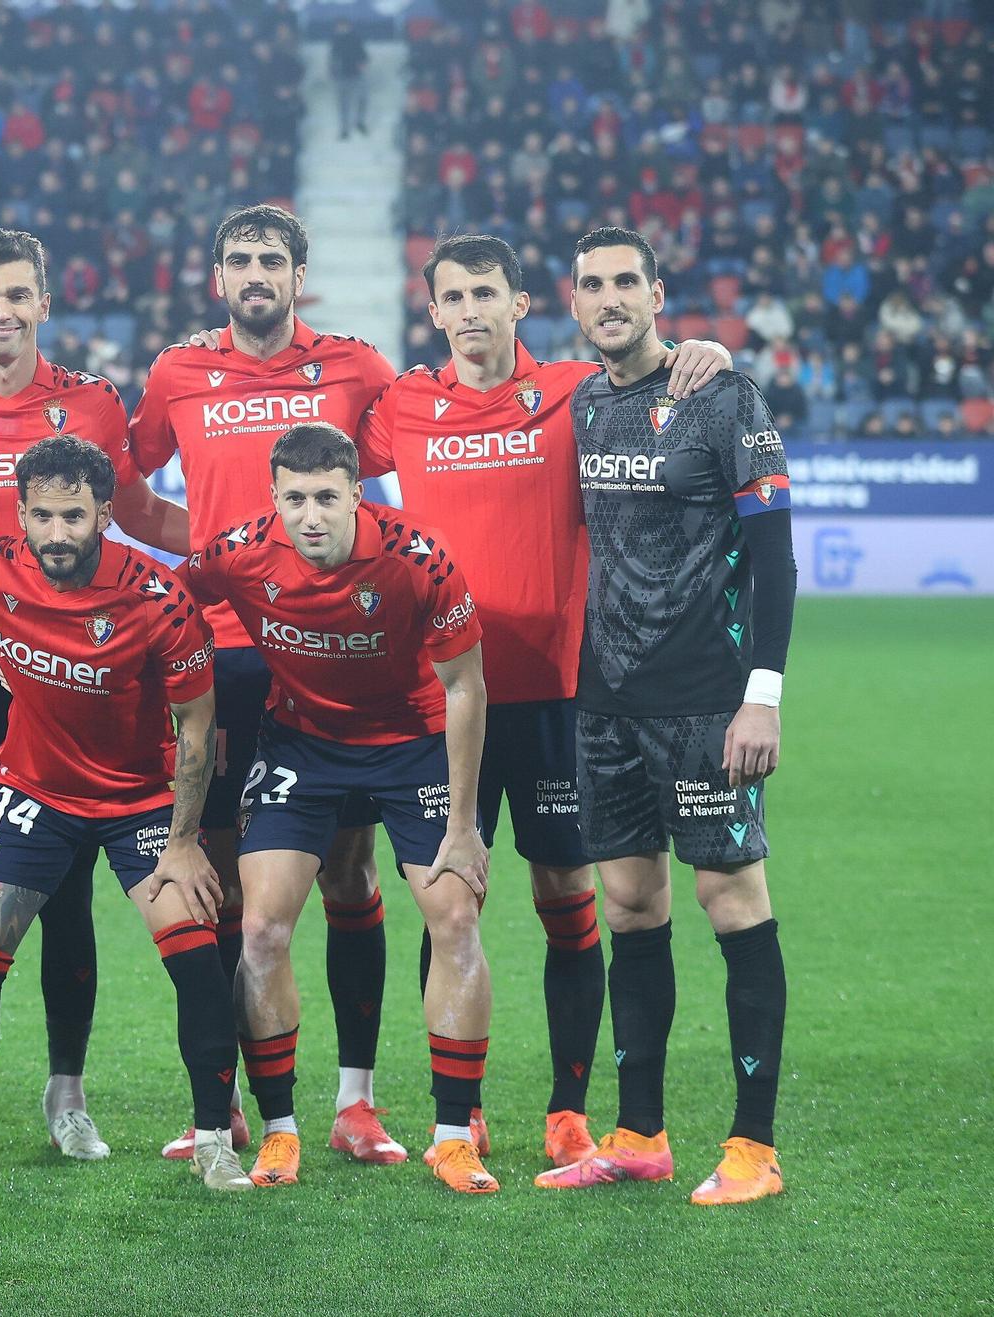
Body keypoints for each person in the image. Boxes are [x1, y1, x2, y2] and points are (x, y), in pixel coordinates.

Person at [354, 232, 732, 1166]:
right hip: (445, 699)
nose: (472, 310)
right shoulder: (402, 403)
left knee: (568, 897)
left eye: (489, 292)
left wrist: (709, 354)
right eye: (455, 296)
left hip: (564, 695)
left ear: (522, 304)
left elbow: (665, 382)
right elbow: (311, 465)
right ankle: (460, 1104)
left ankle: (567, 1105)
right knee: (450, 903)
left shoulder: (576, 390)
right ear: (432, 310)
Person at [0, 228, 190, 1161]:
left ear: (45, 302)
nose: (3, 309)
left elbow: (136, 514)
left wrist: (234, 542)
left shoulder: (92, 403)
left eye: (20, 292)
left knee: (63, 896)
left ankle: (67, 1092)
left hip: (74, 667)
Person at [0, 434, 247, 1192]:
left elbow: (195, 724)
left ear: (105, 513)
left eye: (75, 517)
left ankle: (216, 1140)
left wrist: (184, 842)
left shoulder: (158, 597)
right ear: (21, 512)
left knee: (195, 949)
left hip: (139, 800)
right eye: (44, 516)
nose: (58, 534)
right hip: (32, 790)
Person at [131, 203, 396, 1160]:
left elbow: (420, 459)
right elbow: (126, 488)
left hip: (334, 652)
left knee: (349, 871)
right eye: (240, 260)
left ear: (297, 278)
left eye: (272, 260)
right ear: (217, 278)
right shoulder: (177, 371)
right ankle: (232, 1100)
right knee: (231, 888)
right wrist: (200, 549)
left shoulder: (358, 369)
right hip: (222, 654)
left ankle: (356, 1102)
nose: (255, 274)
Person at [536, 227, 793, 1206]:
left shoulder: (720, 397)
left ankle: (752, 1149)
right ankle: (638, 1132)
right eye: (591, 284)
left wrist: (759, 696)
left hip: (704, 705)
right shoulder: (585, 404)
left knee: (731, 901)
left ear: (655, 292)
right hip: (603, 705)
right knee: (629, 908)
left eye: (624, 283)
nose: (608, 298)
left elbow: (773, 557)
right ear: (573, 300)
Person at [183, 423, 500, 1194]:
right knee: (259, 927)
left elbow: (466, 686)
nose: (311, 515)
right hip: (302, 742)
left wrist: (464, 824)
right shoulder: (236, 552)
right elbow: (168, 610)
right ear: (275, 498)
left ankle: (455, 1135)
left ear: (358, 494)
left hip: (412, 741)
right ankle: (281, 1129)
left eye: (327, 497)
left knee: (454, 916)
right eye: (295, 498)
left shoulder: (417, 559)